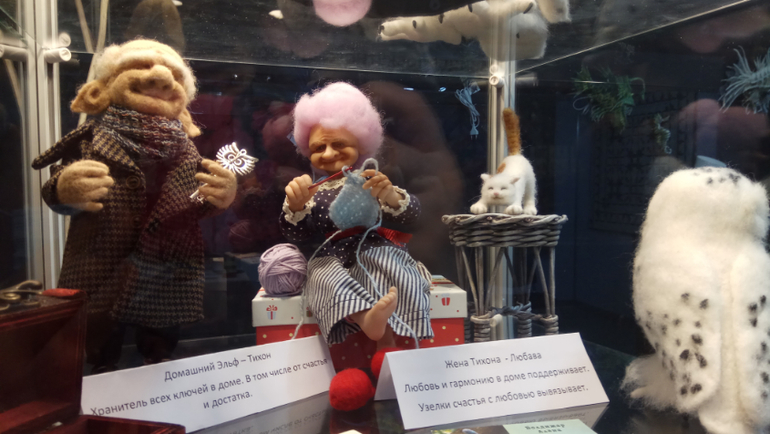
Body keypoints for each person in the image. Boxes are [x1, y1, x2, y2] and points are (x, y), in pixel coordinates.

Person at [279, 82, 433, 410]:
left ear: (361, 142)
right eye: (319, 147)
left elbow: (413, 217)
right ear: (306, 148)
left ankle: (385, 347)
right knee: (324, 279)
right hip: (330, 255)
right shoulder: (310, 191)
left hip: (374, 247)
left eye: (339, 144)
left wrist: (391, 197)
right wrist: (295, 207)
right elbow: (296, 236)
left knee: (392, 271)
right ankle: (367, 323)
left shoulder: (373, 179)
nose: (328, 153)